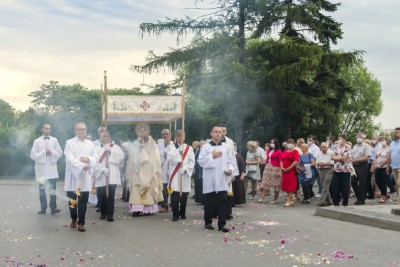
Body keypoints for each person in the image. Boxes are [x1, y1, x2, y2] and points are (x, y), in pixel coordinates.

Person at [198, 126, 235, 233]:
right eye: (216, 132)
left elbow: (231, 161)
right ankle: (208, 222)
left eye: (220, 132)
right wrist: (211, 156)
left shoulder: (226, 147)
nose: (218, 134)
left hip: (222, 178)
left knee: (223, 201)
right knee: (209, 202)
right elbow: (200, 162)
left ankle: (222, 224)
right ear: (211, 133)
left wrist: (230, 169)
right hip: (210, 178)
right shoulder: (205, 147)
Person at [64, 122, 96, 232]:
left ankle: (81, 222)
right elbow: (69, 159)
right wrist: (82, 165)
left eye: (85, 129)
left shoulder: (90, 144)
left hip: (84, 178)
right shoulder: (69, 143)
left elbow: (95, 157)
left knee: (83, 200)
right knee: (73, 200)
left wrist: (89, 159)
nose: (83, 131)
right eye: (81, 129)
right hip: (73, 177)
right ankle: (73, 218)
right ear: (75, 131)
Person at [126, 123, 163, 215]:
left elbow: (155, 159)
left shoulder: (153, 145)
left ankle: (148, 209)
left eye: (145, 131)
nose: (143, 134)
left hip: (150, 172)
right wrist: (139, 150)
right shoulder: (135, 144)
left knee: (149, 191)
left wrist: (145, 157)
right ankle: (136, 209)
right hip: (137, 172)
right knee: (136, 190)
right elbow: (131, 160)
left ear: (148, 132)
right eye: (141, 132)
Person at [30, 123, 63, 215]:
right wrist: (44, 153)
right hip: (41, 169)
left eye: (49, 128)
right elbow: (33, 155)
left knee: (53, 189)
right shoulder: (36, 141)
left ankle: (53, 208)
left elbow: (60, 152)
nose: (48, 130)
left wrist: (51, 152)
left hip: (51, 168)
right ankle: (43, 208)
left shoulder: (55, 140)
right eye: (46, 128)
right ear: (42, 129)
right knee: (42, 189)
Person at [93, 131, 124, 221]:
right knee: (101, 195)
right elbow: (94, 161)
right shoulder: (96, 148)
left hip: (111, 175)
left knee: (110, 195)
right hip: (101, 174)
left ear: (110, 137)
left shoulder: (115, 147)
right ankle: (103, 212)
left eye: (107, 136)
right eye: (103, 136)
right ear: (100, 138)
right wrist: (101, 170)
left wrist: (111, 150)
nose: (105, 137)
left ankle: (110, 215)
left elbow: (120, 157)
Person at [165, 130, 195, 221]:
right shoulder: (171, 147)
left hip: (184, 174)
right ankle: (175, 214)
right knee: (175, 195)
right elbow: (170, 158)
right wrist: (179, 152)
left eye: (182, 136)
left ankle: (182, 213)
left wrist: (186, 169)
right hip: (175, 174)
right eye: (178, 136)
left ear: (184, 137)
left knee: (184, 196)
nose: (180, 137)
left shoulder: (189, 148)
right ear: (175, 137)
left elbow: (192, 161)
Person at [258, 138, 282, 204]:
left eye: (273, 143)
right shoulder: (269, 151)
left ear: (276, 144)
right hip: (268, 167)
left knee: (276, 184)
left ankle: (275, 199)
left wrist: (279, 171)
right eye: (271, 142)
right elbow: (267, 159)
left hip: (275, 168)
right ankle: (262, 198)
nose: (272, 144)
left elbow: (280, 161)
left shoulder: (279, 151)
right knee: (265, 182)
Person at [331, 134, 352, 207]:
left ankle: (345, 203)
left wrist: (338, 157)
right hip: (336, 169)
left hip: (345, 169)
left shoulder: (348, 147)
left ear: (344, 139)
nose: (339, 140)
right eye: (338, 138)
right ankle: (335, 202)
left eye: (340, 138)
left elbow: (344, 158)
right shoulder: (336, 147)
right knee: (334, 185)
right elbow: (332, 157)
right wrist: (339, 157)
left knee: (345, 187)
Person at [351, 133, 371, 205]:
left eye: (360, 137)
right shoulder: (355, 146)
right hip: (354, 165)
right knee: (353, 181)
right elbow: (352, 155)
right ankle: (359, 197)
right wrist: (353, 160)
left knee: (362, 183)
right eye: (357, 136)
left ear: (363, 138)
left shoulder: (366, 146)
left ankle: (361, 200)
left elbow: (367, 157)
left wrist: (357, 161)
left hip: (362, 165)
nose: (359, 138)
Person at [157, 129, 173, 213]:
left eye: (167, 134)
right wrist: (164, 152)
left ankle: (174, 204)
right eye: (164, 134)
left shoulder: (173, 144)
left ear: (170, 135)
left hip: (172, 169)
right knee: (164, 188)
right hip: (162, 168)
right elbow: (156, 154)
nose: (165, 135)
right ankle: (164, 205)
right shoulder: (159, 144)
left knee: (173, 188)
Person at [280, 139, 299, 207]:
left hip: (291, 171)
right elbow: (281, 160)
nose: (290, 144)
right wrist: (282, 167)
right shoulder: (285, 151)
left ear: (294, 144)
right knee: (285, 185)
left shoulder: (295, 151)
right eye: (288, 143)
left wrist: (289, 168)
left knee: (290, 186)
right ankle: (291, 198)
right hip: (284, 171)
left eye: (291, 143)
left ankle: (289, 200)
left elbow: (296, 161)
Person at [372, 136, 391, 203]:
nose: (382, 141)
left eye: (384, 140)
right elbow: (375, 157)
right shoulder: (379, 149)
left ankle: (383, 196)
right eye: (381, 140)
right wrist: (374, 164)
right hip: (378, 167)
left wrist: (382, 164)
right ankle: (385, 194)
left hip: (384, 167)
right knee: (377, 180)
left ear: (386, 141)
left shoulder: (389, 148)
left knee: (383, 182)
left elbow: (388, 158)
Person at [316, 142, 334, 206]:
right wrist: (320, 164)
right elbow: (317, 162)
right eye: (322, 147)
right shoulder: (319, 153)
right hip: (321, 170)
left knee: (326, 185)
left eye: (324, 147)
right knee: (324, 186)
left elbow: (333, 162)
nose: (323, 148)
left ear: (327, 147)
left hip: (329, 170)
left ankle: (321, 201)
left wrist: (325, 164)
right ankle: (329, 201)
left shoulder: (331, 153)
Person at [388, 127, 400, 203]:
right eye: (395, 132)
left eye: (397, 132)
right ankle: (398, 196)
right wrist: (388, 166)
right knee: (396, 183)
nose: (395, 133)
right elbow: (390, 155)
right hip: (394, 166)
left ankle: (399, 199)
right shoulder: (392, 143)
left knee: (399, 183)